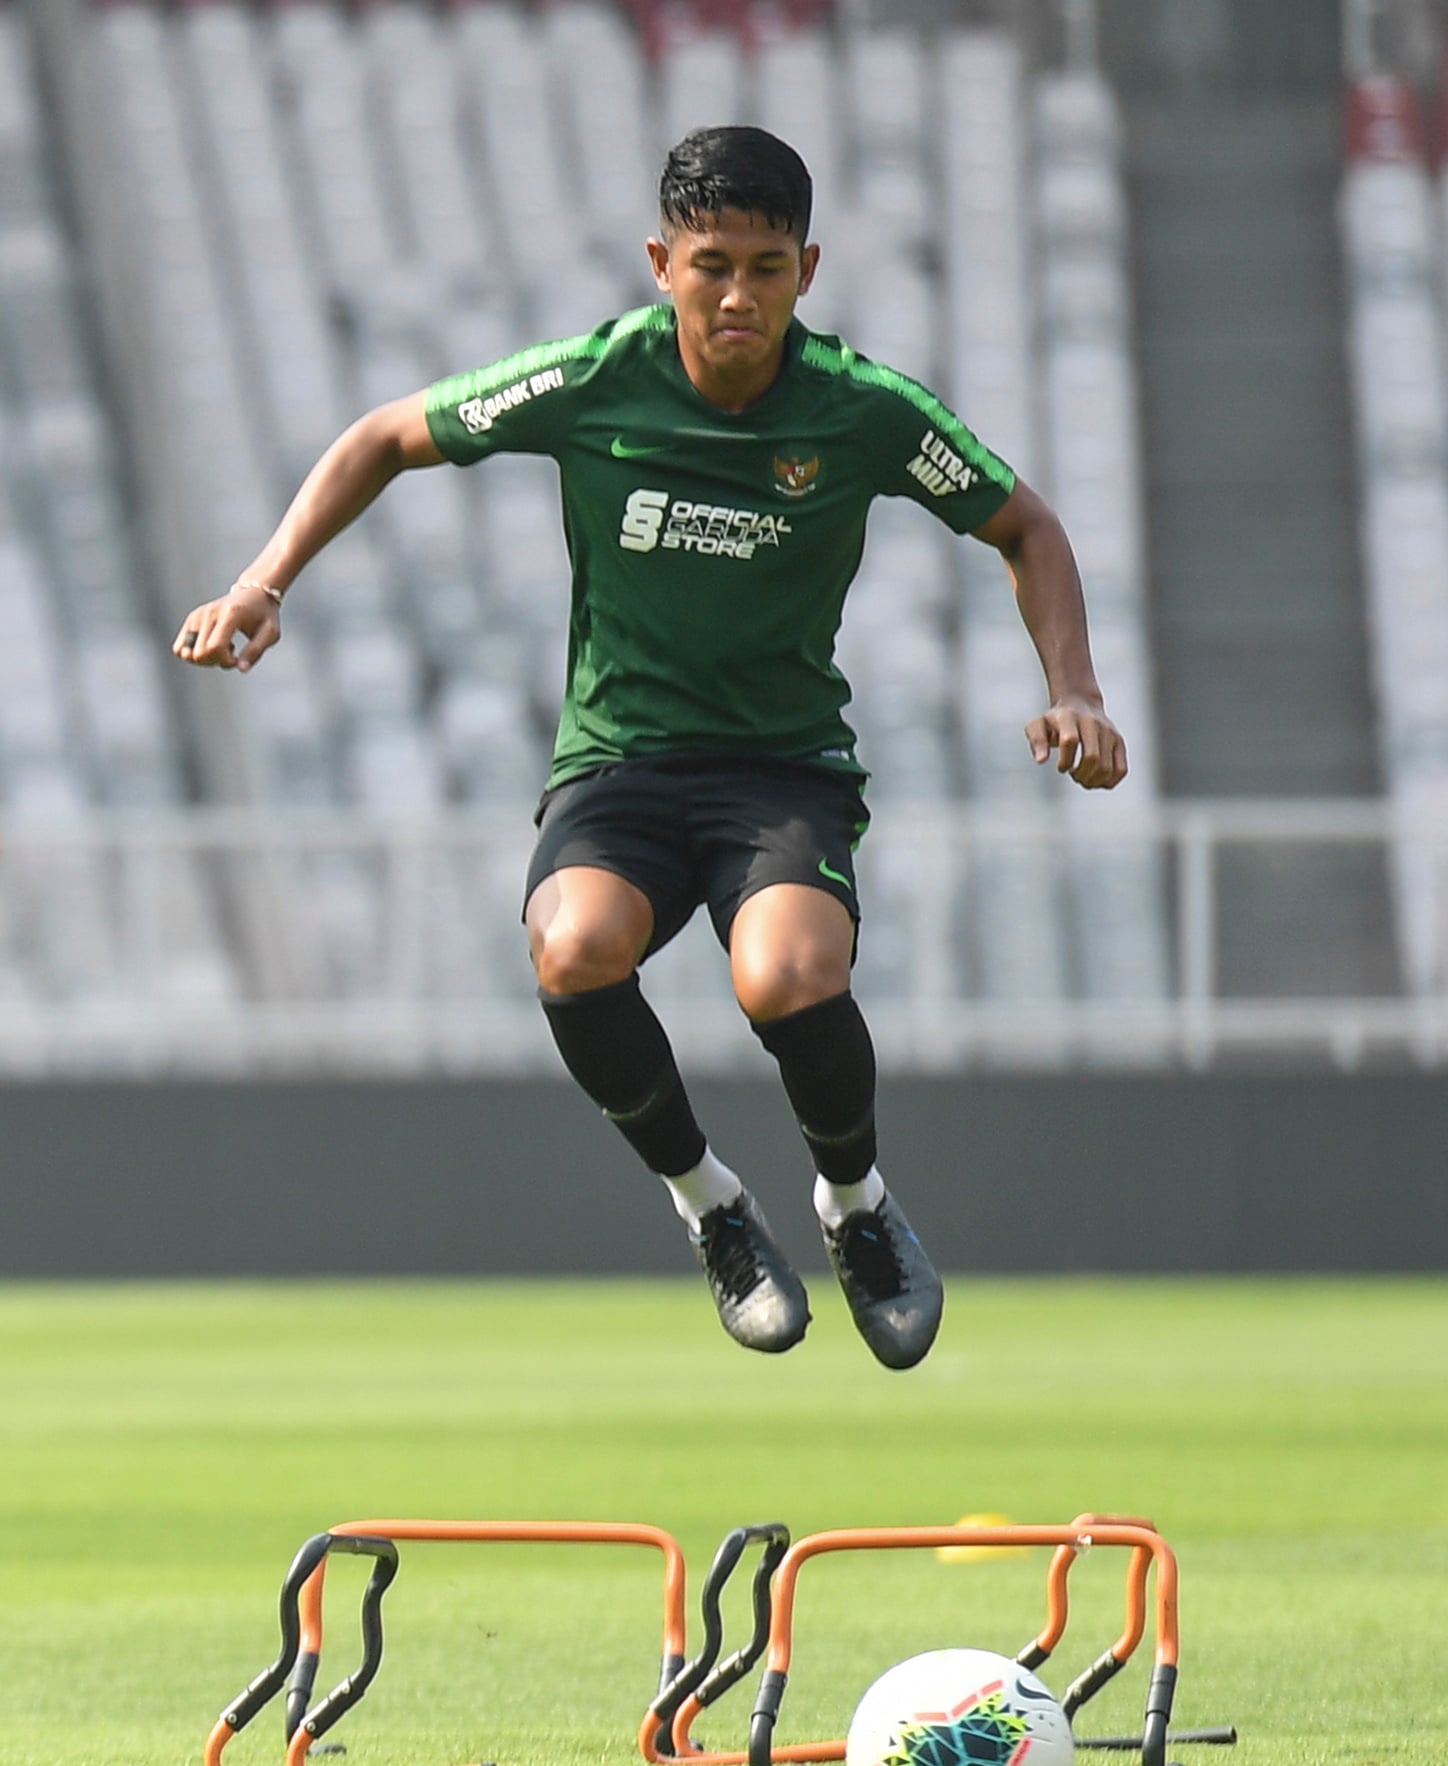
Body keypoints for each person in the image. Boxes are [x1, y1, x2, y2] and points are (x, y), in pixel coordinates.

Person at [173, 127, 1129, 1369]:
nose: (740, 295)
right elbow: (383, 436)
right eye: (712, 264)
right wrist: (263, 581)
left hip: (781, 770)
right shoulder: (592, 378)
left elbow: (1027, 525)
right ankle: (712, 1205)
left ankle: (855, 1205)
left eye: (768, 268)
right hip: (620, 764)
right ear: (661, 263)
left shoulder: (862, 411)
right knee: (572, 949)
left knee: (785, 978)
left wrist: (1078, 689)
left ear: (809, 269)